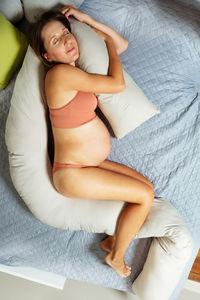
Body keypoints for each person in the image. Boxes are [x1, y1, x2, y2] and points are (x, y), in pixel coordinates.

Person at [29, 5, 154, 278]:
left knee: (147, 187)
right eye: (56, 40)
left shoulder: (77, 70)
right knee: (144, 197)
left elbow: (123, 45)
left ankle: (112, 241)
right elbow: (117, 84)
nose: (66, 40)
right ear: (46, 55)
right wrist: (107, 44)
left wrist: (87, 20)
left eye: (65, 32)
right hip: (73, 173)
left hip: (89, 164)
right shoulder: (59, 75)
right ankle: (116, 257)